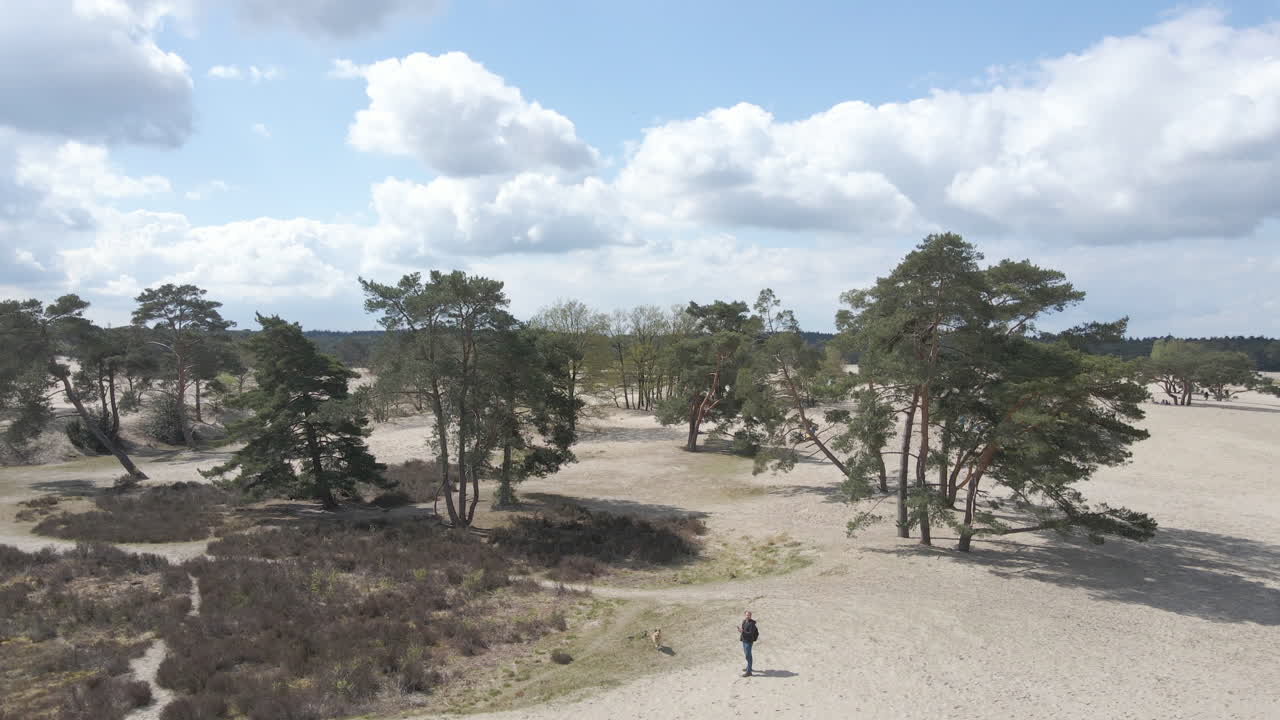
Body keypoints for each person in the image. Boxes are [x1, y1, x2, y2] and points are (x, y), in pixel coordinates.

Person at [737, 610, 759, 677]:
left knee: (748, 656)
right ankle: (749, 668)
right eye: (747, 615)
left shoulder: (752, 624)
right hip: (744, 641)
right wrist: (740, 630)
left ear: (750, 616)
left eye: (749, 615)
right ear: (745, 615)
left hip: (749, 642)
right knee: (747, 655)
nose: (748, 616)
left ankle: (749, 672)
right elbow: (744, 631)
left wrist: (742, 631)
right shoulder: (744, 621)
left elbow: (750, 634)